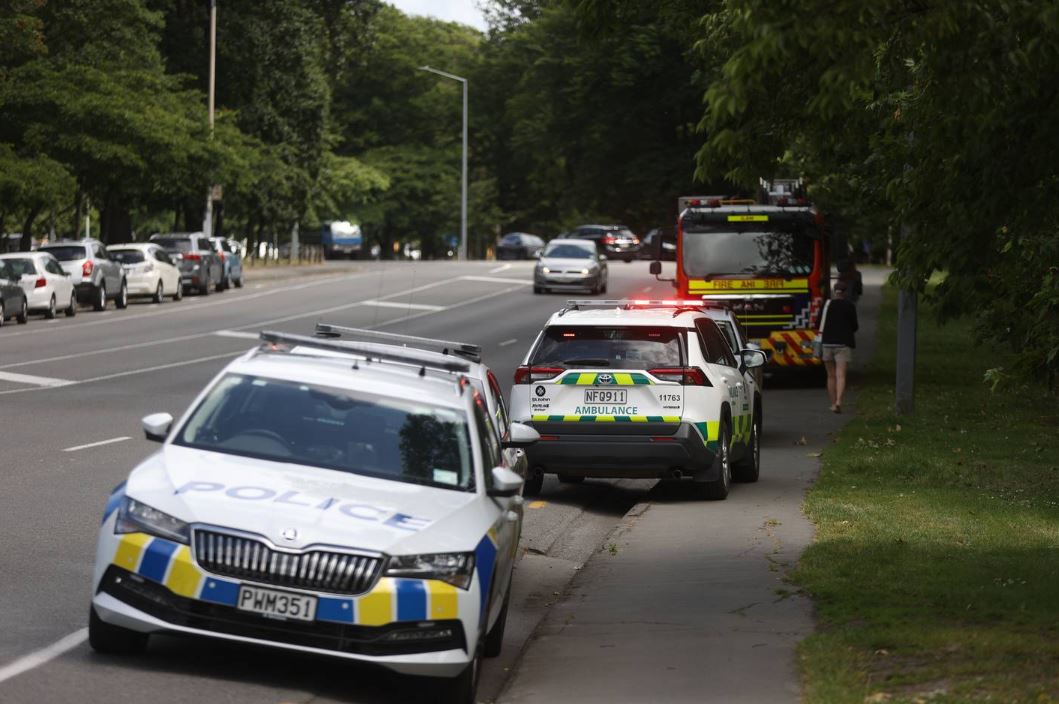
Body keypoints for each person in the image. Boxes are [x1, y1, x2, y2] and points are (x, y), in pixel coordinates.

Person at [820, 281, 858, 413]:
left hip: (827, 343)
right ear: (845, 292)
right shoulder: (849, 306)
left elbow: (820, 323)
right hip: (843, 344)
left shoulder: (826, 305)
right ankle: (838, 402)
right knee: (840, 375)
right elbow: (855, 326)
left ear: (834, 291)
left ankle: (832, 403)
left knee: (830, 376)